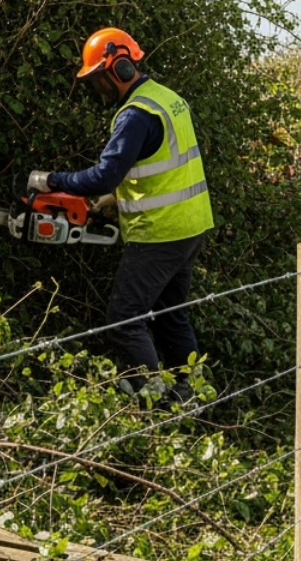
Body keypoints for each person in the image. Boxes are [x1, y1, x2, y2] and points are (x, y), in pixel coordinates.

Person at [27, 27, 213, 401]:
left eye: (99, 79)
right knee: (171, 314)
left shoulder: (135, 115)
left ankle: (156, 399)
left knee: (125, 319)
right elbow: (160, 163)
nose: (99, 89)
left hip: (159, 233)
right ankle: (193, 394)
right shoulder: (168, 98)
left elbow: (104, 174)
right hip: (192, 225)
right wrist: (116, 198)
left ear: (121, 68)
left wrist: (51, 181)